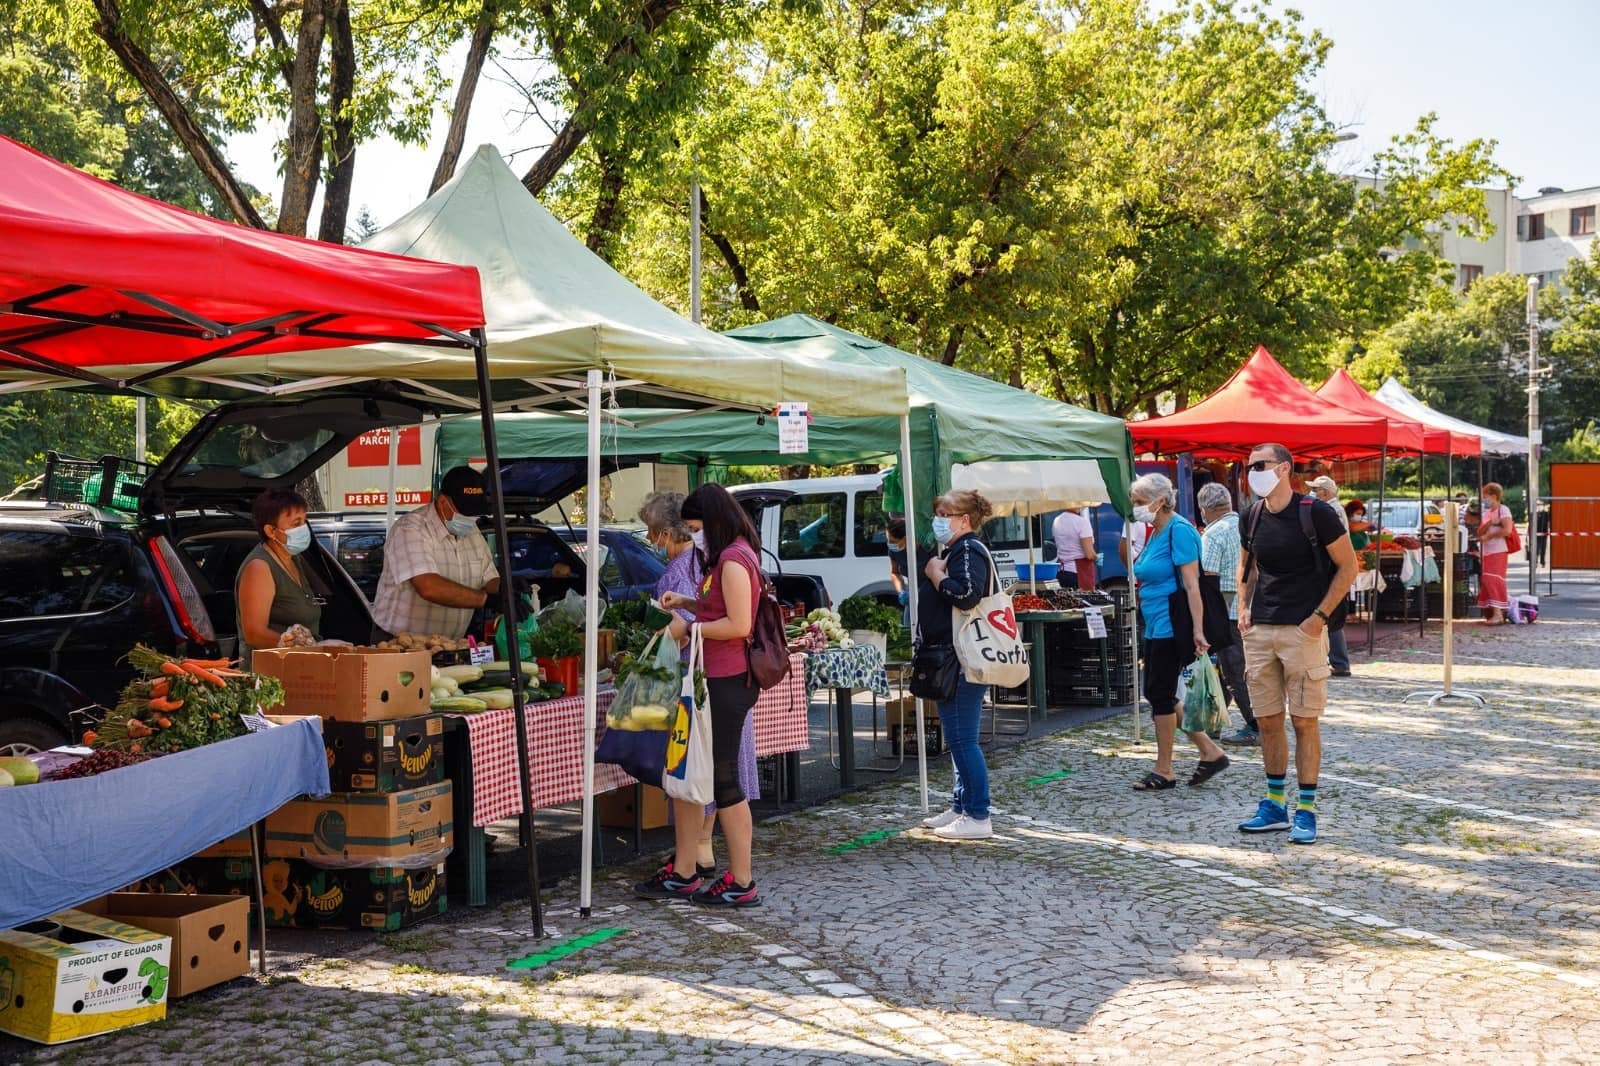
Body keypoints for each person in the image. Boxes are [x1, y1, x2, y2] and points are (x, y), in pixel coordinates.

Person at [636, 483, 764, 906]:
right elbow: (719, 607)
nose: (693, 536)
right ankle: (685, 869)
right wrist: (688, 599)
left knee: (725, 783)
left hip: (726, 680)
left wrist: (688, 627)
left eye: (695, 527)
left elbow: (739, 625)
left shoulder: (732, 558)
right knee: (685, 776)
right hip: (709, 678)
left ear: (713, 521)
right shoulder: (724, 557)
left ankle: (741, 880)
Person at [1236, 443, 1357, 845]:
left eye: (1261, 465)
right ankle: (1274, 805)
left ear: (1285, 468)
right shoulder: (1250, 515)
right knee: (1267, 720)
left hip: (1303, 630)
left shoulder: (1315, 512)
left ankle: (1306, 808)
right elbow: (1245, 566)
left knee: (1304, 721)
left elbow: (1349, 566)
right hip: (1261, 631)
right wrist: (1243, 608)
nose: (1253, 471)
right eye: (1250, 465)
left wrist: (1318, 619)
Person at [1128, 473, 1229, 791]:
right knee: (1160, 693)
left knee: (1159, 694)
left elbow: (1192, 585)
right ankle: (1209, 752)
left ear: (1160, 501)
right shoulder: (1154, 531)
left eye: (1140, 502)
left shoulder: (1179, 530)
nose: (1136, 507)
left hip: (1173, 626)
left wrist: (1198, 631)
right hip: (1156, 623)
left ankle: (1165, 768)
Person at [916, 490, 999, 838]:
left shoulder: (967, 550)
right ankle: (961, 805)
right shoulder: (957, 549)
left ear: (964, 519)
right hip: (951, 657)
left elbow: (967, 595)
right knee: (957, 737)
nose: (938, 519)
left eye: (945, 513)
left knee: (963, 739)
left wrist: (936, 575)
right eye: (937, 512)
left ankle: (978, 816)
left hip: (963, 659)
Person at [371, 466, 500, 641]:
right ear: (442, 502)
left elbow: (488, 577)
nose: (470, 518)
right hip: (400, 644)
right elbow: (429, 587)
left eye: (474, 513)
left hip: (449, 645)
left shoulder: (472, 531)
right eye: (464, 511)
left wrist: (506, 590)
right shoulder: (410, 528)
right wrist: (485, 599)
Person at [1199, 483, 1257, 748]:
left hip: (1227, 610)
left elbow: (1207, 576)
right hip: (1254, 608)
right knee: (1224, 669)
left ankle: (1256, 725)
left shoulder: (1214, 534)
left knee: (1234, 671)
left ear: (1204, 509)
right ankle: (1211, 724)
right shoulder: (1248, 525)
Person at [236, 489, 322, 658]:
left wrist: (317, 648)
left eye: (305, 521)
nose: (303, 528)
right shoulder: (259, 568)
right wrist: (308, 648)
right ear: (271, 531)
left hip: (300, 670)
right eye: (296, 523)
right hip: (269, 675)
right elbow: (254, 633)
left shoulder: (293, 559)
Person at [1307, 476, 1353, 678]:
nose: (1313, 494)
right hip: (1334, 567)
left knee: (1329, 614)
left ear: (1324, 492)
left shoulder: (1330, 511)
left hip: (1331, 569)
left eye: (1315, 490)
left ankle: (1339, 661)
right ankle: (1337, 661)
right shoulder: (1335, 508)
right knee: (1330, 614)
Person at [1476, 482, 1514, 625]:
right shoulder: (1487, 513)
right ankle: (1494, 611)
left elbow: (1507, 530)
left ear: (1494, 496)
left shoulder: (1503, 510)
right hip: (1487, 551)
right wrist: (1489, 524)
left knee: (1492, 579)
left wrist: (1490, 536)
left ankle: (1498, 613)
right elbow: (1479, 532)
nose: (1484, 500)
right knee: (1486, 580)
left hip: (1498, 550)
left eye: (1485, 497)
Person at [1050, 507, 1096, 590]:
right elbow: (1089, 555)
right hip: (1079, 573)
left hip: (1061, 571)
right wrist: (1096, 557)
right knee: (1083, 601)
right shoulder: (1082, 522)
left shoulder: (1056, 520)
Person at [886, 517, 910, 610]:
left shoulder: (924, 549)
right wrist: (901, 592)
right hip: (911, 593)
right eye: (887, 539)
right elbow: (895, 572)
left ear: (905, 539)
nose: (889, 544)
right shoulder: (894, 551)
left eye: (892, 541)